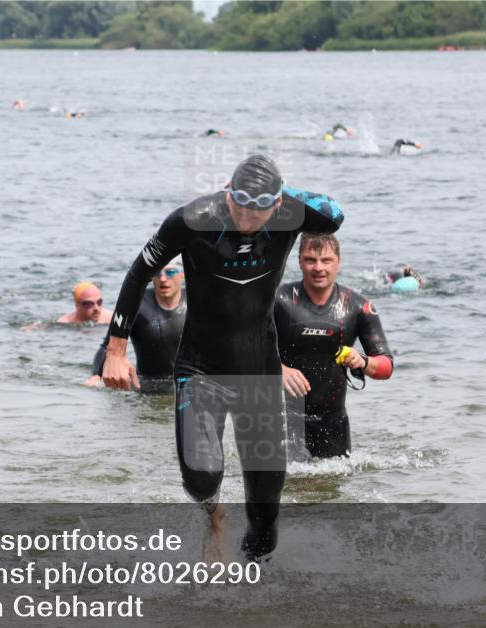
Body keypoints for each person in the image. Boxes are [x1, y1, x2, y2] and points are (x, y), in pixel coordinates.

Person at [101, 154, 344, 562]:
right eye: (241, 206)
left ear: (276, 203)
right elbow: (139, 271)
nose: (248, 218)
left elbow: (334, 215)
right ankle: (215, 516)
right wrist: (116, 348)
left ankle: (251, 582)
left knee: (266, 508)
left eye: (260, 209)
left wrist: (284, 194)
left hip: (259, 372)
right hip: (201, 368)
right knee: (200, 477)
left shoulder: (289, 212)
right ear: (229, 194)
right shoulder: (193, 219)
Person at [275, 234, 393, 459]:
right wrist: (279, 369)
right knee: (280, 491)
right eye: (310, 260)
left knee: (333, 491)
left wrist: (363, 362)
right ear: (299, 261)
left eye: (326, 260)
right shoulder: (278, 301)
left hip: (333, 425)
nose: (318, 268)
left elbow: (387, 366)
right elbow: (244, 349)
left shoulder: (359, 307)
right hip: (281, 422)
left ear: (339, 262)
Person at [87, 263, 186, 393]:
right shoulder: (134, 303)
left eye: (170, 272)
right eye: (157, 272)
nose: (162, 278)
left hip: (188, 386)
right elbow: (108, 345)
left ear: (183, 275)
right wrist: (96, 375)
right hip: (147, 388)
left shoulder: (196, 301)